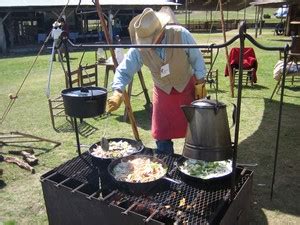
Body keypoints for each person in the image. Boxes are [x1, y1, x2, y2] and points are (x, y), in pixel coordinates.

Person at [107, 7, 207, 155]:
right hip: (162, 91)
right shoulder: (139, 48)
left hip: (186, 87)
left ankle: (194, 161)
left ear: (161, 31)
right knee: (161, 133)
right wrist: (118, 91)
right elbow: (124, 69)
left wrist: (200, 85)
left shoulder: (181, 35)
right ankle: (166, 160)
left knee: (194, 130)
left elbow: (197, 61)